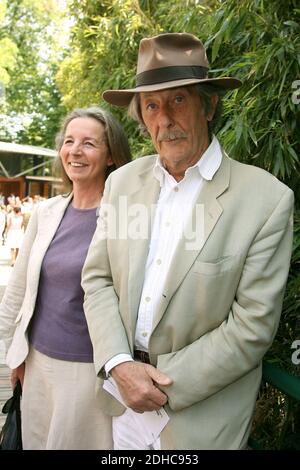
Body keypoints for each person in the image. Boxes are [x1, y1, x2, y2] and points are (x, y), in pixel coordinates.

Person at [82, 33, 294, 450]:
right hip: (123, 402)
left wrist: (157, 386)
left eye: (179, 100)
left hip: (201, 417)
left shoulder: (266, 200)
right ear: (142, 118)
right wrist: (120, 365)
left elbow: (252, 326)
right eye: (152, 106)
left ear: (209, 105)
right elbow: (98, 279)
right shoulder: (123, 183)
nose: (165, 120)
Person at [0, 106, 131, 449]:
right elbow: (18, 291)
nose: (75, 150)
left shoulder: (125, 219)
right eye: (69, 141)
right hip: (36, 363)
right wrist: (15, 355)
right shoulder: (46, 212)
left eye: (89, 143)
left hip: (88, 371)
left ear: (111, 156)